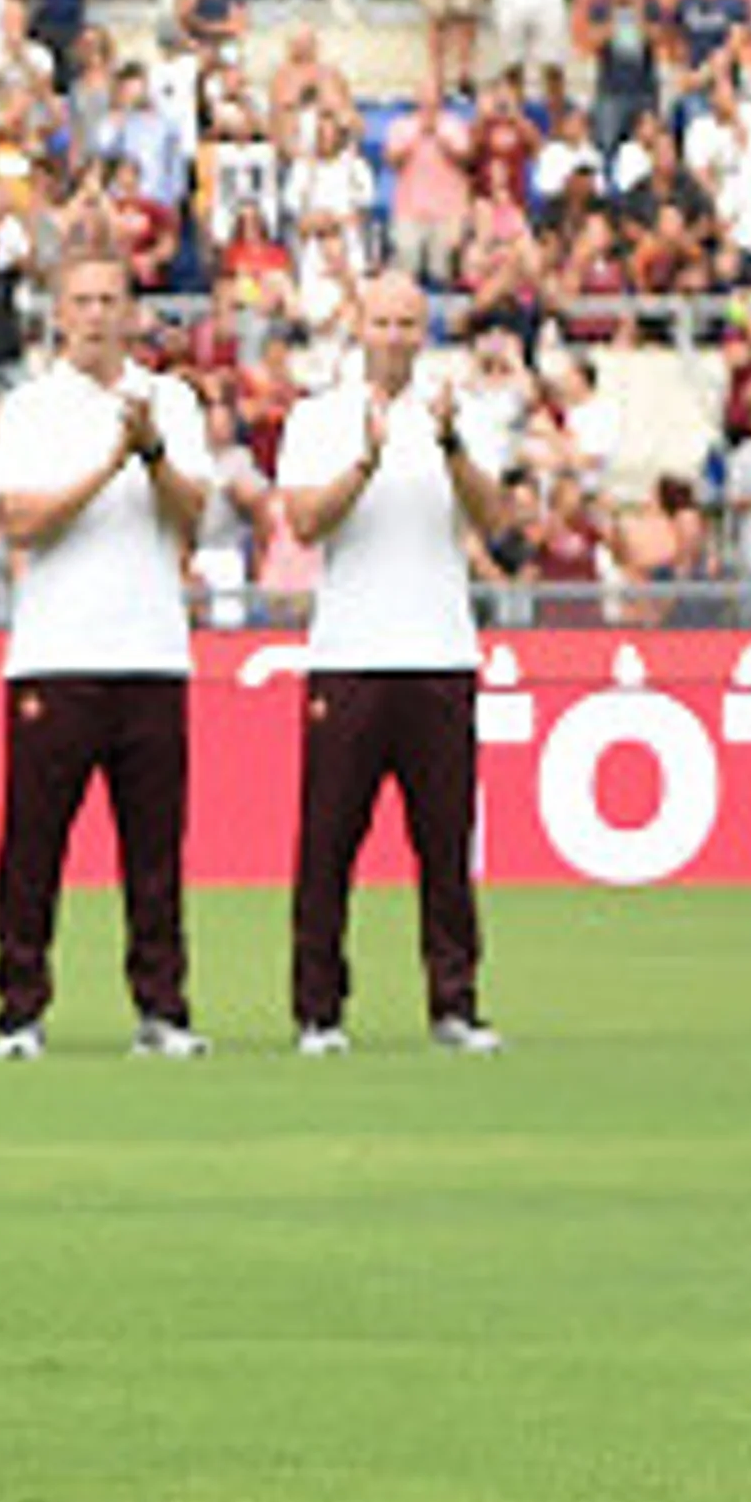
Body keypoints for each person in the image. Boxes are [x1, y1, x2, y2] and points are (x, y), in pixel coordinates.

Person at [0, 244, 214, 1057]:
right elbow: (20, 520)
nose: (94, 315)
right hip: (56, 652)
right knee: (34, 846)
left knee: (154, 852)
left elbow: (194, 517)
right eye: (80, 300)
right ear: (58, 312)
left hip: (151, 649)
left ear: (131, 311)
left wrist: (149, 452)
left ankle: (162, 1009)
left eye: (109, 299)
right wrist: (108, 462)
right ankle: (19, 1010)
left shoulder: (171, 401)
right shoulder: (30, 407)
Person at [274, 272, 514, 1054]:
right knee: (327, 844)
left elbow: (498, 518)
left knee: (445, 844)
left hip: (440, 651)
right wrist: (364, 464)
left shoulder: (459, 411)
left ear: (424, 329)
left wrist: (449, 444)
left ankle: (454, 1004)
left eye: (409, 322)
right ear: (358, 326)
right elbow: (305, 523)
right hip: (349, 655)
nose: (395, 336)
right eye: (382, 321)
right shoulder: (319, 416)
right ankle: (319, 1012)